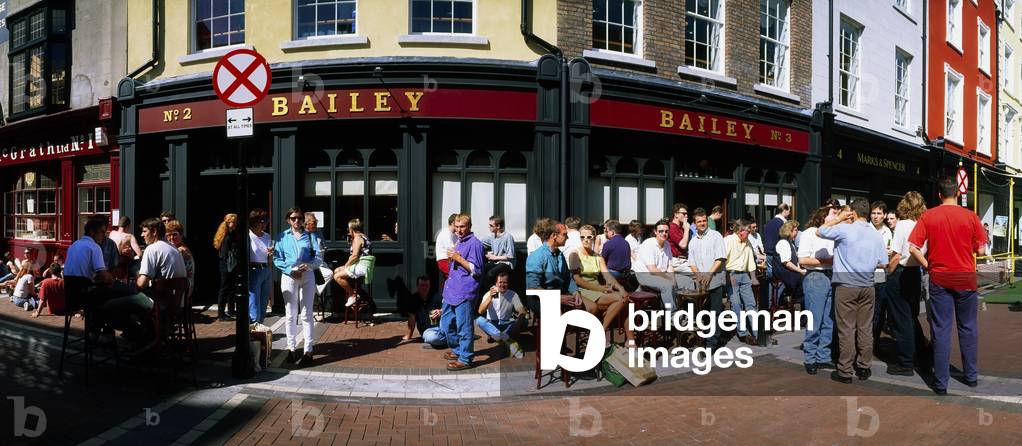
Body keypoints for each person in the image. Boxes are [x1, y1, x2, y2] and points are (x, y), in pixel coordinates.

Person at [908, 178, 987, 394]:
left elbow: (913, 246)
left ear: (940, 195)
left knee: (941, 329)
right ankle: (971, 376)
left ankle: (941, 382)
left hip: (940, 277)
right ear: (957, 194)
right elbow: (980, 251)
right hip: (965, 277)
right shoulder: (970, 216)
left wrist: (928, 265)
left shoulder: (929, 216)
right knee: (968, 327)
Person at [817, 199, 888, 384]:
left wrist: (838, 218)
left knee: (846, 329)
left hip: (846, 285)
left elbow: (820, 231)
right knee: (865, 328)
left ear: (853, 213)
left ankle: (845, 370)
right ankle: (864, 367)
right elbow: (884, 262)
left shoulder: (845, 229)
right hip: (867, 285)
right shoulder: (876, 235)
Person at [884, 192, 927, 377]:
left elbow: (895, 255)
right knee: (910, 316)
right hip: (915, 273)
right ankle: (923, 353)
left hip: (901, 273)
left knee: (901, 320)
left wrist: (888, 273)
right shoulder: (923, 223)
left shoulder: (902, 225)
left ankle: (905, 362)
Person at [273, 207, 323, 367]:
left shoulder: (309, 235)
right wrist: (290, 270)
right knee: (290, 314)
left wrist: (308, 266)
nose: (297, 221)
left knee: (307, 314)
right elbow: (277, 258)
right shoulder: (281, 236)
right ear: (288, 220)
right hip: (289, 276)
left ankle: (308, 351)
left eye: (299, 218)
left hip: (307, 274)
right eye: (293, 218)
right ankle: (291, 348)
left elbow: (318, 257)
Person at [570, 224, 632, 345]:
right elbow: (577, 279)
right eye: (582, 237)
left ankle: (629, 339)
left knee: (625, 299)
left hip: (598, 289)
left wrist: (621, 288)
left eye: (589, 237)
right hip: (583, 290)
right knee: (622, 299)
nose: (586, 240)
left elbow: (608, 276)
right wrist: (599, 288)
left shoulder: (598, 256)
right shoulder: (575, 254)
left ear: (594, 238)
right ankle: (602, 331)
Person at [441, 214, 485, 371]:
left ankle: (465, 358)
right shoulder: (460, 241)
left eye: (462, 227)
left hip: (465, 291)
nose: (458, 230)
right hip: (451, 290)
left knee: (464, 327)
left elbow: (477, 270)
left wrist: (458, 258)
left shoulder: (475, 244)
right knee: (445, 324)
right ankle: (458, 350)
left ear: (469, 226)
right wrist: (453, 259)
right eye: (456, 226)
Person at [798, 206, 836, 375]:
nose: (837, 216)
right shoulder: (809, 233)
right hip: (816, 277)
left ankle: (823, 356)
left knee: (828, 320)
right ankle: (810, 357)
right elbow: (803, 259)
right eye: (834, 213)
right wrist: (828, 260)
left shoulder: (833, 233)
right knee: (815, 319)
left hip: (831, 276)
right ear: (823, 216)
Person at [688, 209, 727, 351]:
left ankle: (712, 344)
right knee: (702, 312)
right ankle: (703, 339)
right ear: (695, 223)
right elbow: (691, 262)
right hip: (701, 283)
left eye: (704, 220)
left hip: (715, 279)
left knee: (715, 312)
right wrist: (698, 274)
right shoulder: (693, 241)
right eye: (699, 221)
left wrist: (709, 274)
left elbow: (720, 258)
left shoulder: (716, 236)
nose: (702, 223)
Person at [525, 220, 578, 317]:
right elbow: (533, 288)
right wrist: (557, 298)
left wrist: (575, 292)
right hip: (540, 298)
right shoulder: (537, 257)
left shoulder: (559, 254)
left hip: (560, 294)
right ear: (554, 236)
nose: (567, 237)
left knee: (591, 308)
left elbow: (567, 278)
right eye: (564, 234)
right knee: (559, 318)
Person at [475, 272, 528, 358]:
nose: (502, 285)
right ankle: (507, 340)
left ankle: (498, 337)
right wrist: (490, 297)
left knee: (524, 321)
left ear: (508, 283)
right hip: (492, 324)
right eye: (500, 282)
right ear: (496, 283)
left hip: (506, 324)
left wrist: (518, 324)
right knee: (479, 320)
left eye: (505, 282)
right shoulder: (489, 294)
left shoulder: (512, 294)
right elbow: (480, 311)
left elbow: (521, 311)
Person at [724, 219, 760, 346]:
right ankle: (743, 333)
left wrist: (753, 277)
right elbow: (722, 259)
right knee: (736, 304)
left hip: (744, 275)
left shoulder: (747, 241)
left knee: (751, 304)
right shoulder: (728, 241)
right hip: (732, 274)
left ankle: (757, 333)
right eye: (748, 231)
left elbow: (750, 259)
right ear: (740, 231)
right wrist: (727, 276)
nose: (750, 233)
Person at [633, 219, 677, 309]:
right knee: (667, 285)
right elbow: (652, 269)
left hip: (660, 275)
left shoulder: (667, 244)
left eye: (666, 231)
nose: (664, 233)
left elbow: (670, 266)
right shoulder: (648, 244)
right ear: (655, 232)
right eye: (661, 231)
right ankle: (673, 314)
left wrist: (673, 279)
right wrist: (669, 279)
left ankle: (674, 311)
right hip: (646, 275)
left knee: (684, 282)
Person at [334, 219, 372, 307]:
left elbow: (354, 256)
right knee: (336, 270)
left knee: (337, 276)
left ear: (351, 229)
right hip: (361, 265)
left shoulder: (357, 239)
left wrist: (346, 266)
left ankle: (353, 295)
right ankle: (350, 291)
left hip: (360, 266)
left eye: (348, 228)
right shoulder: (364, 236)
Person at [870, 201, 894, 343]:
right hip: (865, 275)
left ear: (884, 215)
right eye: (873, 213)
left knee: (878, 311)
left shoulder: (887, 232)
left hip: (881, 276)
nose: (876, 216)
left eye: (879, 213)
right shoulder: (865, 229)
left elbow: (887, 258)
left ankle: (875, 340)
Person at [247, 209, 274, 324]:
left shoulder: (267, 236)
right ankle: (253, 330)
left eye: (266, 220)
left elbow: (269, 258)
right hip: (253, 271)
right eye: (261, 221)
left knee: (263, 304)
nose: (264, 223)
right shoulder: (248, 236)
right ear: (254, 221)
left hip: (266, 271)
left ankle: (259, 331)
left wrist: (271, 255)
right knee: (254, 304)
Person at [213, 213, 240, 321]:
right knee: (224, 289)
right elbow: (224, 254)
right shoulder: (226, 236)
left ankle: (231, 310)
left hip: (230, 264)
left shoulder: (232, 234)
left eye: (235, 222)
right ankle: (221, 314)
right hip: (226, 265)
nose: (234, 224)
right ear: (227, 223)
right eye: (231, 222)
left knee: (231, 289)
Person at [772, 220, 805, 307]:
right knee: (804, 280)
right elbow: (786, 262)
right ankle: (797, 303)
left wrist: (800, 269)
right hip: (784, 274)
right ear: (789, 231)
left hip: (789, 273)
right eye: (795, 230)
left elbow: (795, 260)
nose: (797, 232)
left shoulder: (791, 243)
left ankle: (797, 303)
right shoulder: (783, 243)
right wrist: (800, 271)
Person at [405, 275, 444, 346]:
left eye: (427, 285)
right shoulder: (413, 299)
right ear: (417, 286)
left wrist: (441, 311)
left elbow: (448, 309)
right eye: (422, 285)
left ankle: (448, 339)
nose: (425, 288)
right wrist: (409, 335)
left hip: (441, 327)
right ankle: (451, 340)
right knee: (431, 338)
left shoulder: (436, 296)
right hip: (427, 331)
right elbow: (412, 319)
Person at [481, 215, 516, 286]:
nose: (489, 227)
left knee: (490, 274)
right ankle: (487, 294)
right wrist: (486, 253)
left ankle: (495, 290)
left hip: (506, 263)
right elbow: (479, 242)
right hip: (496, 262)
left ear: (498, 226)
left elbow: (510, 256)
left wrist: (494, 257)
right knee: (481, 269)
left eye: (491, 225)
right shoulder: (492, 236)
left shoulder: (508, 237)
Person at [164, 220, 195, 300]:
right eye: (168, 235)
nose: (171, 238)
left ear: (181, 235)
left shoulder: (181, 250)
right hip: (182, 285)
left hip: (183, 288)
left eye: (175, 235)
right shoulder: (178, 248)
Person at [667, 204, 692, 290]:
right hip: (677, 261)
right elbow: (683, 245)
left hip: (683, 260)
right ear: (676, 214)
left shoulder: (681, 228)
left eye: (687, 214)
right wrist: (687, 229)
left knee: (689, 283)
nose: (686, 216)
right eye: (684, 214)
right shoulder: (672, 227)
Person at [435, 214, 458, 278]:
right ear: (453, 223)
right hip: (444, 260)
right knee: (452, 278)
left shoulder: (454, 234)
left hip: (450, 260)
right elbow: (452, 249)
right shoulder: (446, 233)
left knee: (450, 279)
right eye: (458, 222)